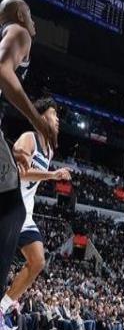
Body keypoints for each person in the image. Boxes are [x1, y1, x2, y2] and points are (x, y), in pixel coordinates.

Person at [0, 0, 56, 330]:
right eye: (31, 15)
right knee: (11, 214)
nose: (33, 22)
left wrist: (8, 146)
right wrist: (36, 119)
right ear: (21, 15)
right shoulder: (18, 31)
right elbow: (3, 72)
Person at [0, 98, 71, 318]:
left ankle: (1, 309)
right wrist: (52, 175)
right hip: (7, 203)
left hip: (25, 212)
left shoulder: (48, 151)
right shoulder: (28, 138)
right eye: (53, 114)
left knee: (38, 261)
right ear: (41, 117)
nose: (57, 119)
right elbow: (20, 172)